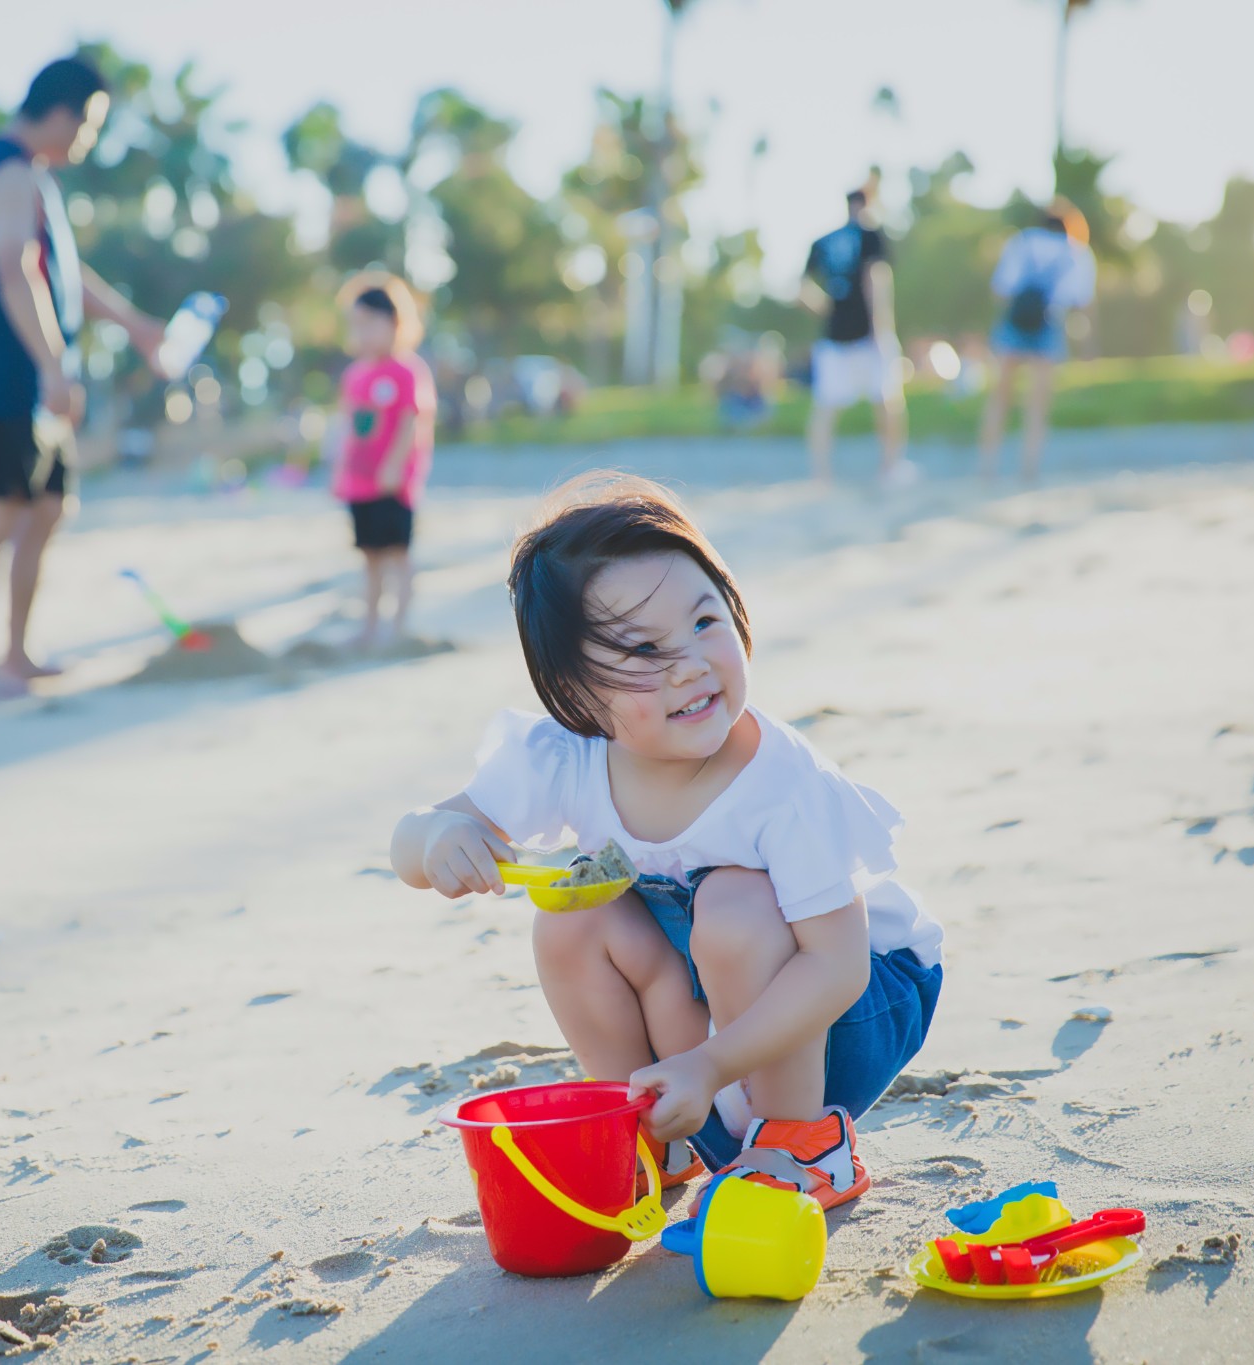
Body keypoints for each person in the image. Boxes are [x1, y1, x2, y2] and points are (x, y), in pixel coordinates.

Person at [389, 475, 944, 1206]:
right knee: (571, 918)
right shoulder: (565, 757)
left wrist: (713, 1063)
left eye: (705, 621)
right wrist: (440, 838)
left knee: (736, 902)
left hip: (846, 1008)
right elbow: (408, 840)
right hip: (705, 1012)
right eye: (645, 650)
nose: (689, 661)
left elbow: (836, 966)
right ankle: (651, 1128)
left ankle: (799, 1141)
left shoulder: (783, 785)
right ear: (579, 696)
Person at [0, 56, 167, 703]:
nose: (88, 140)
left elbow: (61, 279)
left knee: (47, 506)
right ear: (61, 112)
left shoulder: (36, 178)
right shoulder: (12, 172)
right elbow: (14, 270)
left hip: (38, 370)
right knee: (0, 510)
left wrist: (133, 323)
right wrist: (51, 365)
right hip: (9, 370)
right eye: (90, 125)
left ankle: (15, 654)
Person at [327, 272, 436, 650]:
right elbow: (347, 427)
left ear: (395, 324)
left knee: (397, 555)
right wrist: (339, 468)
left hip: (393, 484)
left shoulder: (406, 371)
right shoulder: (355, 374)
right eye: (357, 324)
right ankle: (370, 624)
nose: (364, 333)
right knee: (370, 557)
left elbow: (411, 420)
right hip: (359, 483)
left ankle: (399, 626)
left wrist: (394, 465)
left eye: (372, 323)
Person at [802, 187, 913, 490]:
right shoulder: (870, 235)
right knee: (888, 400)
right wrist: (882, 328)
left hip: (834, 334)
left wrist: (827, 309)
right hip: (867, 334)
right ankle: (890, 467)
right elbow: (874, 279)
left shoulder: (824, 241)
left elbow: (802, 288)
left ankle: (820, 474)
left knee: (825, 407)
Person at [978, 199, 1096, 483]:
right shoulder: (1076, 252)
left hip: (1014, 323)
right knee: (1037, 402)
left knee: (1001, 397)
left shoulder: (1022, 242)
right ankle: (1028, 469)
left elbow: (1001, 290)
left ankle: (987, 467)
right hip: (1047, 324)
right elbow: (1080, 300)